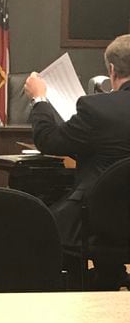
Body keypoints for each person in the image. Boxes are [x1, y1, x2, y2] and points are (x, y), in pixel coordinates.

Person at [24, 33, 130, 290]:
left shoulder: (98, 108)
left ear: (112, 70)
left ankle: (73, 291)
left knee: (40, 224)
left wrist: (39, 98)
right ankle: (109, 276)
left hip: (100, 219)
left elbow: (49, 140)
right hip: (120, 217)